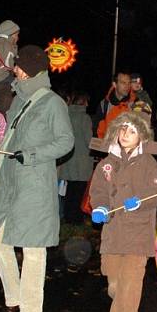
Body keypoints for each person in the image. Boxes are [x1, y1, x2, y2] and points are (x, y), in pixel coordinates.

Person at [0, 45, 74, 312]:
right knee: (0, 241)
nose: (15, 69)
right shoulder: (18, 100)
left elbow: (66, 142)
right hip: (9, 183)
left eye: (18, 66)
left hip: (34, 184)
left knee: (33, 247)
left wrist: (33, 155)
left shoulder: (52, 103)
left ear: (28, 69)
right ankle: (12, 299)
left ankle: (31, 307)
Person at [89, 111, 157, 312]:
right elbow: (98, 191)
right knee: (113, 279)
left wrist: (140, 201)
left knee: (131, 277)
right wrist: (100, 206)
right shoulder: (106, 163)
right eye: (123, 129)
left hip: (138, 231)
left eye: (132, 131)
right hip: (113, 232)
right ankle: (123, 300)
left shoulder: (148, 162)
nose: (126, 134)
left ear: (142, 136)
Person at [59, 91, 94, 223]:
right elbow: (88, 140)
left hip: (69, 160)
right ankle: (76, 218)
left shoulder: (66, 115)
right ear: (83, 102)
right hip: (82, 161)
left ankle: (68, 216)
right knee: (79, 191)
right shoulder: (85, 118)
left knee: (70, 190)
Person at [96, 72, 134, 137]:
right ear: (114, 84)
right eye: (123, 83)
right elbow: (100, 130)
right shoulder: (104, 104)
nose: (127, 86)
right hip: (109, 145)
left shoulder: (135, 105)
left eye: (129, 83)